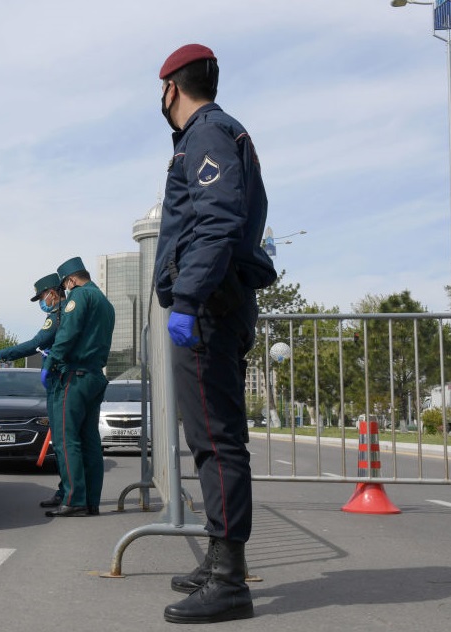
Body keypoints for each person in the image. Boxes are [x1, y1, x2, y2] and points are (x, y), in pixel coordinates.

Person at [153, 44, 276, 624]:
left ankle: (229, 580)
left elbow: (220, 220)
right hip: (216, 304)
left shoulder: (205, 134)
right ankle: (218, 560)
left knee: (218, 440)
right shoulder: (228, 134)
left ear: (171, 89)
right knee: (210, 439)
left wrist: (188, 297)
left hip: (207, 310)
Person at [41, 257, 115, 517]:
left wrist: (50, 362)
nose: (66, 290)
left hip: (74, 376)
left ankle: (74, 499)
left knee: (65, 439)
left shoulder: (80, 297)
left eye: (66, 285)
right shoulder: (105, 302)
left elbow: (67, 334)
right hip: (95, 375)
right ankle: (90, 500)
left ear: (71, 280)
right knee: (89, 440)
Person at [0, 273, 66, 508]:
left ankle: (70, 494)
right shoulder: (64, 313)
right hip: (62, 380)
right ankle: (70, 492)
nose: (43, 302)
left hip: (62, 382)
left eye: (43, 296)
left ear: (53, 293)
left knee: (65, 443)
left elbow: (36, 343)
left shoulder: (57, 316)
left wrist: (1, 354)